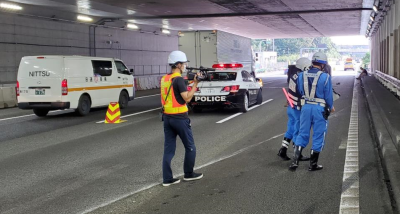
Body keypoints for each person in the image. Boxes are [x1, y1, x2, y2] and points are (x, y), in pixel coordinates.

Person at [161, 50, 203, 186]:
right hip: (180, 118)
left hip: (167, 117)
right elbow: (186, 98)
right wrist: (195, 84)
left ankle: (167, 179)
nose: (185, 66)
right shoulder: (179, 79)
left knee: (169, 149)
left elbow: (174, 94)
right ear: (178, 65)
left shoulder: (165, 78)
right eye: (184, 63)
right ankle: (189, 174)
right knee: (190, 147)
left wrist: (189, 83)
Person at [289, 52, 334, 171]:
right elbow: (328, 96)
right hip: (319, 108)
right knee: (318, 134)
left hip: (306, 107)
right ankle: (313, 164)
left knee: (302, 133)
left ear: (312, 62)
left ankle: (295, 161)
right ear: (323, 65)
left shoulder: (301, 75)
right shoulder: (325, 77)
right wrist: (330, 106)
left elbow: (299, 90)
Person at [278, 58, 312, 161]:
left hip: (291, 107)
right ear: (304, 66)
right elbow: (304, 93)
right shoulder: (302, 77)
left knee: (291, 129)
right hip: (298, 108)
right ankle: (297, 154)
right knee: (298, 131)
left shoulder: (293, 75)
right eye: (309, 66)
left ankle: (282, 150)